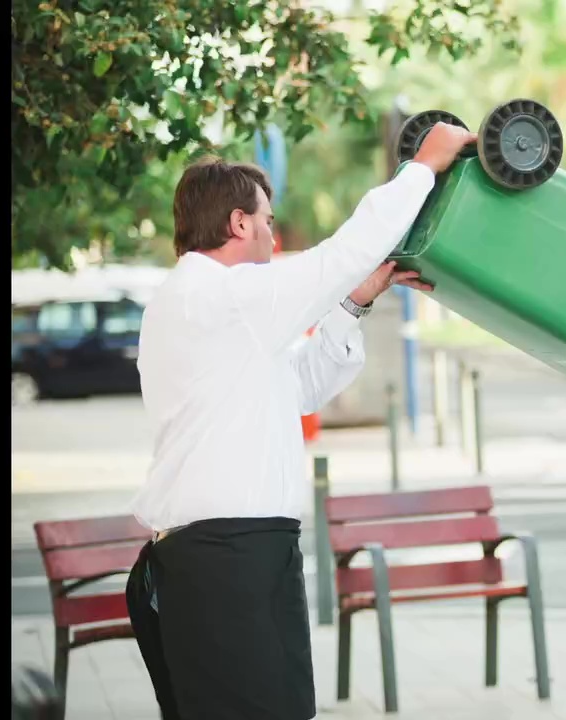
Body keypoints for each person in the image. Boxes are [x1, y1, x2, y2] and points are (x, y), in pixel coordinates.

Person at [123, 123, 477, 720]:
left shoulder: (223, 311)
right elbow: (341, 253)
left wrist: (355, 302)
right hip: (224, 557)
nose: (272, 233)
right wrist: (424, 165)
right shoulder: (221, 298)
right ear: (238, 224)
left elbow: (303, 386)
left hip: (242, 552)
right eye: (265, 221)